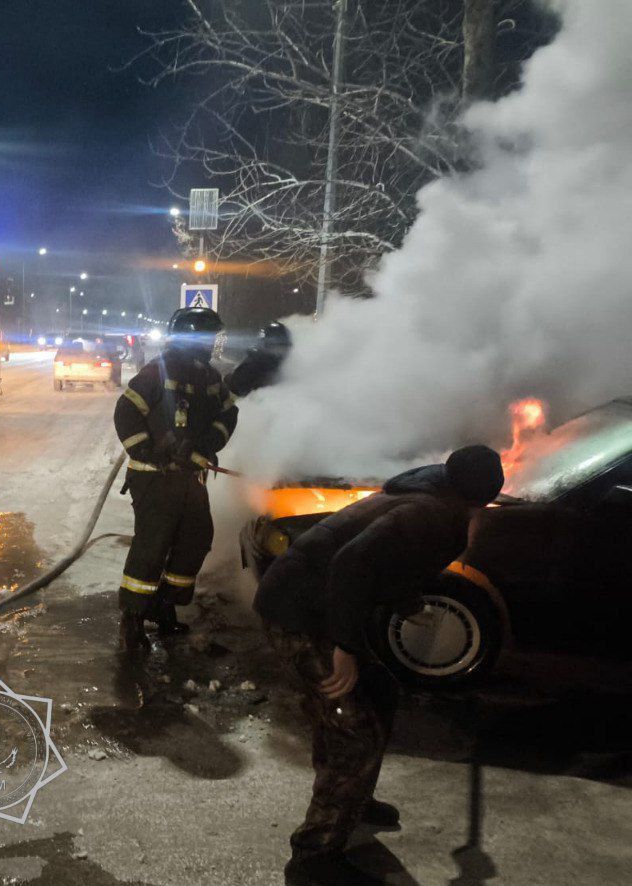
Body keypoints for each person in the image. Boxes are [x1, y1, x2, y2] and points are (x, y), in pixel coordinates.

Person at [253, 445, 505, 885]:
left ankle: (352, 796)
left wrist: (405, 601)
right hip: (298, 611)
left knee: (380, 693)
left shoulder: (428, 492)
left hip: (315, 603)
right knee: (353, 729)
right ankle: (313, 856)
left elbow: (385, 563)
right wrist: (344, 647)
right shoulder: (432, 513)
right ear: (486, 494)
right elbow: (352, 564)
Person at [112, 307, 239, 651]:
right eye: (208, 336)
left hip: (190, 479)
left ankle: (163, 606)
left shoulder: (210, 378)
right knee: (152, 546)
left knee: (195, 539)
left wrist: (209, 443)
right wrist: (151, 452)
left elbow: (228, 413)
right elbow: (126, 412)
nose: (213, 343)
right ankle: (133, 618)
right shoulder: (158, 371)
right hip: (155, 478)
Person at [226, 320, 292, 397]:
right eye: (279, 347)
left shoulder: (284, 366)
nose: (283, 352)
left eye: (284, 347)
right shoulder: (251, 369)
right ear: (267, 346)